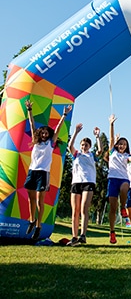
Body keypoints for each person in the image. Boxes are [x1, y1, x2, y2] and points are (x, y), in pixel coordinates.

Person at [24, 99, 72, 241]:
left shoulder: (50, 143)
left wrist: (64, 115)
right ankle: (32, 220)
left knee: (40, 200)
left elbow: (57, 129)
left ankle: (38, 226)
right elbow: (32, 124)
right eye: (42, 132)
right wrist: (29, 110)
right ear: (40, 134)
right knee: (31, 198)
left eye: (46, 133)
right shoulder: (36, 142)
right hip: (32, 171)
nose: (44, 134)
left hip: (43, 173)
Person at [66, 123, 102, 246]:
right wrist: (76, 132)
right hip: (76, 182)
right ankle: (74, 236)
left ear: (89, 146)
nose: (84, 146)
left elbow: (100, 151)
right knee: (75, 211)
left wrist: (97, 136)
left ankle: (83, 235)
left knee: (84, 208)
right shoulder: (76, 154)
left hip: (88, 182)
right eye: (82, 145)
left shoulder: (92, 155)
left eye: (86, 145)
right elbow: (70, 146)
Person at [107, 114, 131, 244]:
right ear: (117, 145)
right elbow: (111, 138)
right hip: (112, 180)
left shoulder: (127, 155)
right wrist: (111, 124)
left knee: (124, 188)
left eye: (124, 144)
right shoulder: (113, 152)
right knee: (112, 208)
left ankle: (123, 207)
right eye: (120, 144)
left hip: (123, 179)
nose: (122, 146)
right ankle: (112, 232)